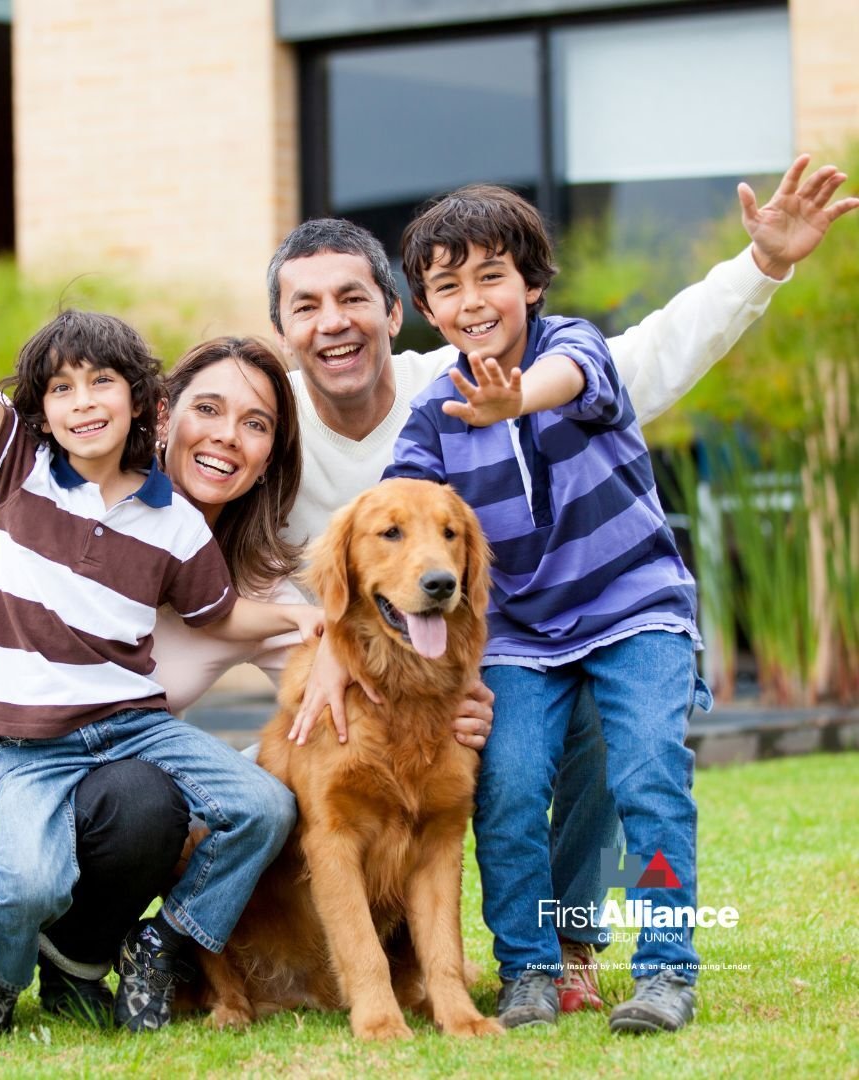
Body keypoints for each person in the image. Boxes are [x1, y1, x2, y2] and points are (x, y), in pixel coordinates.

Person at [0, 103, 856, 1018]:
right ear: (269, 342)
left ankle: (561, 950)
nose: (230, 437)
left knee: (550, 721)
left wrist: (760, 265)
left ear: (399, 314)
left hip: (131, 762)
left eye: (354, 299)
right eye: (304, 308)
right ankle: (4, 947)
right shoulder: (139, 468)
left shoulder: (440, 404)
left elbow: (635, 363)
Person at [0, 153, 326, 1035]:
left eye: (100, 382)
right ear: (38, 410)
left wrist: (307, 617)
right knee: (27, 880)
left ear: (144, 401)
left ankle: (169, 942)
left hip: (133, 728)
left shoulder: (175, 522)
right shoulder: (18, 473)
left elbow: (218, 616)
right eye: (60, 389)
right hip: (31, 740)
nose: (81, 402)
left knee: (264, 805)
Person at [385, 183, 711, 1033]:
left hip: (634, 604)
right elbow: (398, 515)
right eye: (448, 287)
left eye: (491, 277)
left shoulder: (573, 347)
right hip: (521, 633)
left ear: (530, 284)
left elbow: (569, 379)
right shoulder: (430, 415)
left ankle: (667, 968)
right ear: (426, 307)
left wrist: (515, 398)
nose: (472, 301)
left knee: (647, 772)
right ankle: (528, 967)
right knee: (510, 787)